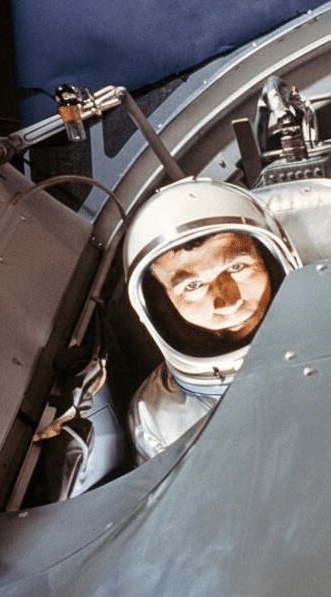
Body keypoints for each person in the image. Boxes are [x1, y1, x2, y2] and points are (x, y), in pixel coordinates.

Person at [122, 178, 303, 462]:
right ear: (162, 303)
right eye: (192, 286)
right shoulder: (157, 416)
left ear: (271, 260)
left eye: (237, 266)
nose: (228, 301)